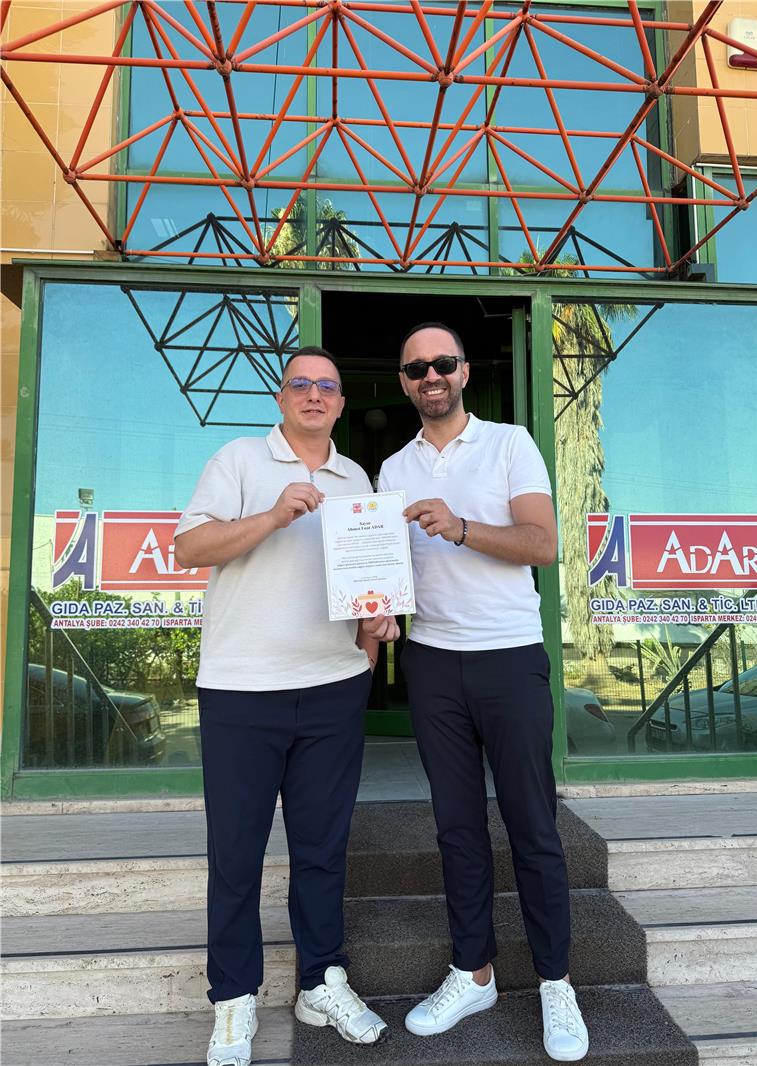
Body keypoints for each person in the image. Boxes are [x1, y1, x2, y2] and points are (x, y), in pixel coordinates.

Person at [175, 347, 394, 1066]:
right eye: (301, 383)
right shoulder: (239, 460)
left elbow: (365, 581)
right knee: (236, 855)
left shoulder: (354, 478)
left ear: (340, 402)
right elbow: (189, 547)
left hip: (333, 688)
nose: (314, 395)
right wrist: (272, 516)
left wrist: (373, 634)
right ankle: (234, 999)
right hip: (241, 689)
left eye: (327, 386)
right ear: (281, 397)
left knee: (322, 850)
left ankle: (320, 982)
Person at [377, 323, 589, 1063]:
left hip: (508, 657)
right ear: (404, 382)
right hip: (434, 663)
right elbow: (386, 566)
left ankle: (556, 981)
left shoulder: (510, 443)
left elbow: (542, 544)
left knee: (533, 823)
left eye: (443, 363)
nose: (430, 376)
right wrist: (377, 608)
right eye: (416, 368)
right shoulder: (393, 466)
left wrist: (462, 526)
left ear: (464, 371)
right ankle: (474, 974)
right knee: (457, 827)